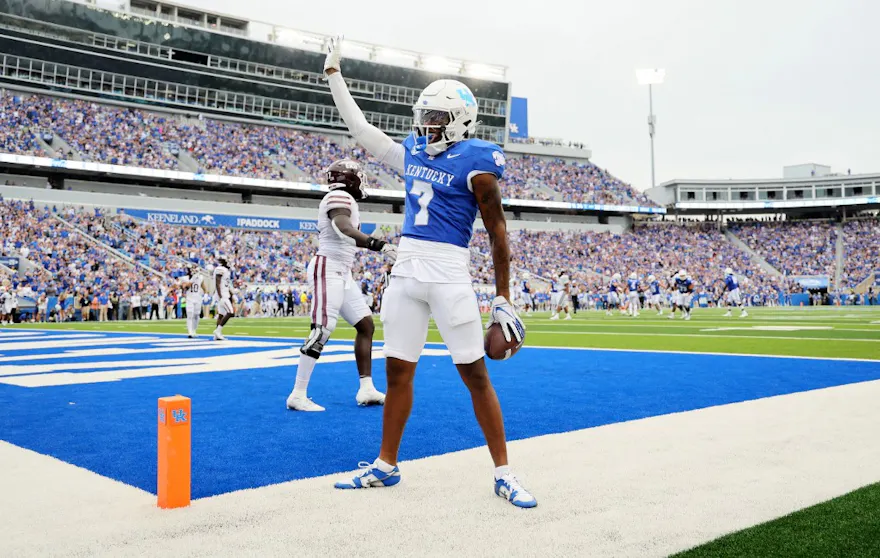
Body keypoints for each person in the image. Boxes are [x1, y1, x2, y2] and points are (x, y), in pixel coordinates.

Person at [323, 37, 534, 508]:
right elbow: (362, 130)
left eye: (436, 117)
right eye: (425, 115)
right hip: (406, 273)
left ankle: (504, 472)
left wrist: (503, 297)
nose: (427, 124)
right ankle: (385, 465)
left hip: (448, 273)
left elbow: (498, 233)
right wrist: (334, 76)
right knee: (397, 372)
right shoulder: (413, 154)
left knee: (476, 376)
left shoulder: (478, 163)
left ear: (458, 120)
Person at [286, 159, 395, 411]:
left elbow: (347, 237)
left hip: (342, 271)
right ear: (350, 179)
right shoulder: (339, 197)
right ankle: (298, 394)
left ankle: (366, 388)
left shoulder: (344, 199)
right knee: (322, 329)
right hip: (328, 267)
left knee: (365, 325)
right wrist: (378, 245)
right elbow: (344, 228)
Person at [180, 266, 208, 338]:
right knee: (190, 315)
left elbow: (204, 287)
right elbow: (184, 287)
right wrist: (192, 279)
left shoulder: (200, 277)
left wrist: (206, 294)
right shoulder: (185, 278)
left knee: (196, 315)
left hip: (198, 297)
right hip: (189, 298)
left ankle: (194, 330)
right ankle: (190, 332)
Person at [213, 255, 234, 340]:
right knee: (231, 312)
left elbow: (226, 284)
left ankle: (217, 335)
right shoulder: (220, 269)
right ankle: (218, 331)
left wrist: (232, 294)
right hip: (222, 295)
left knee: (221, 315)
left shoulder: (226, 270)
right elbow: (217, 283)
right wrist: (221, 296)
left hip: (224, 294)